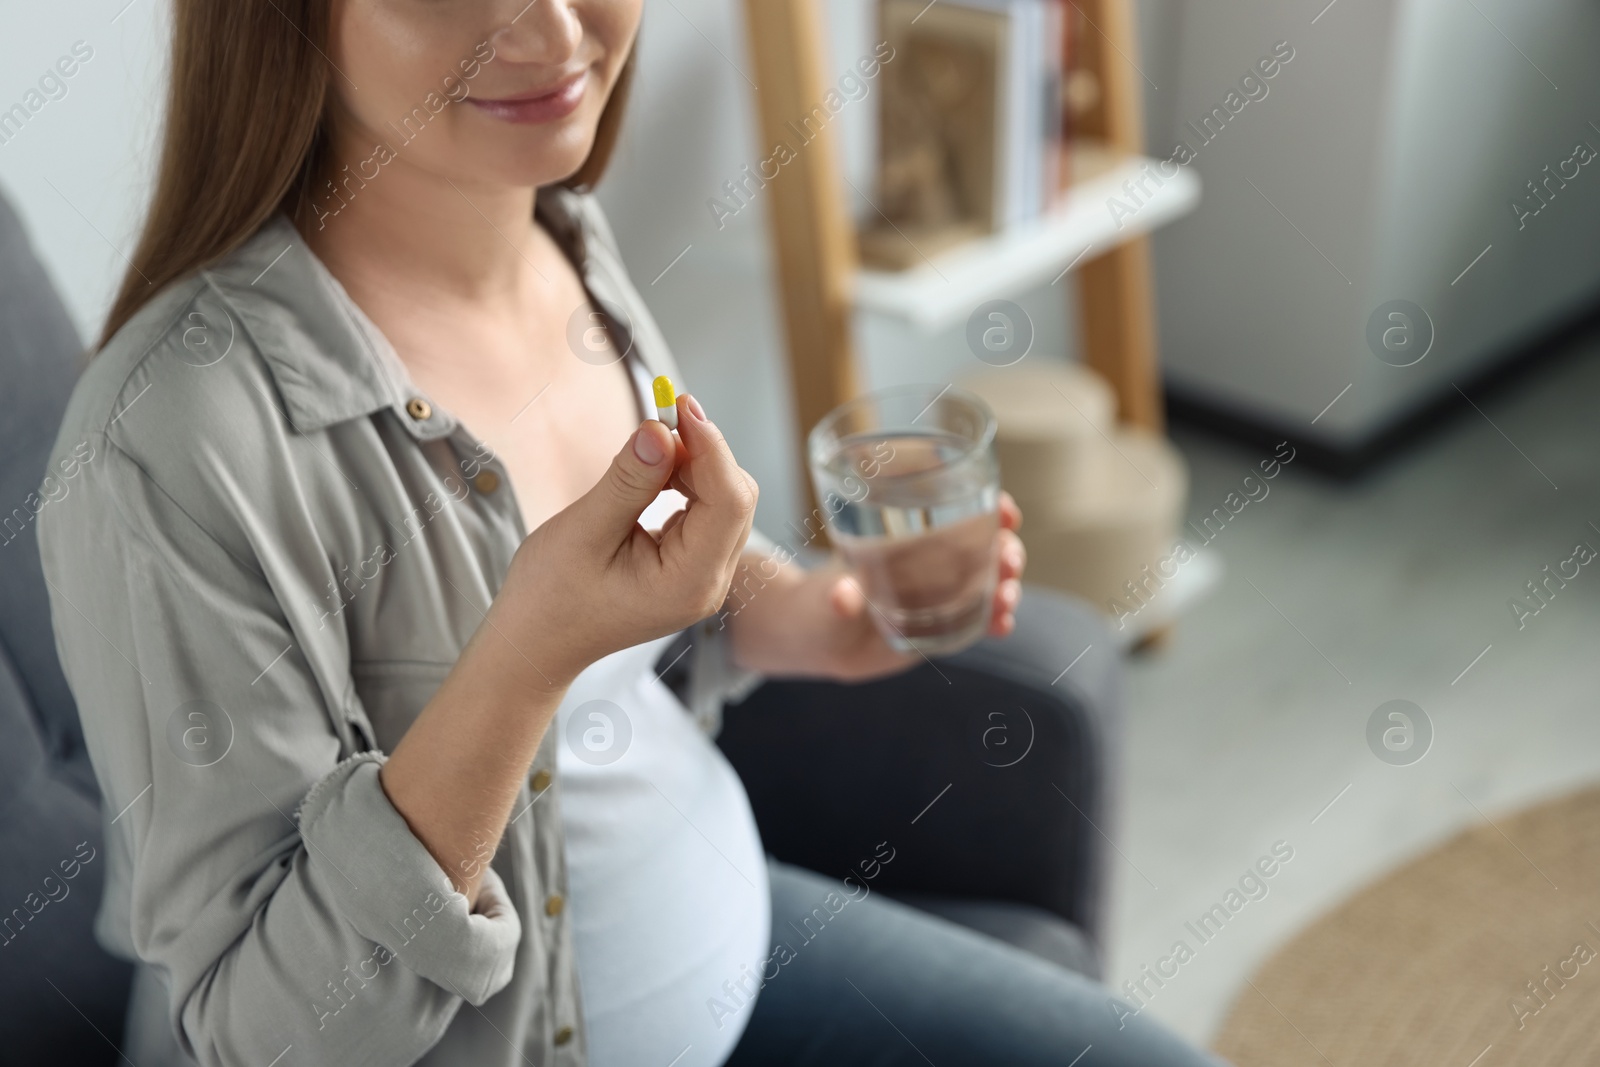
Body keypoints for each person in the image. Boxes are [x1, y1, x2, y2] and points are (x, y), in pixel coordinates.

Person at [39, 2, 1222, 1065]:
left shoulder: (560, 231)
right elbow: (266, 1033)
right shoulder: (170, 444)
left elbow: (638, 616)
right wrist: (523, 655)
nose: (554, 32)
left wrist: (811, 619)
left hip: (733, 940)